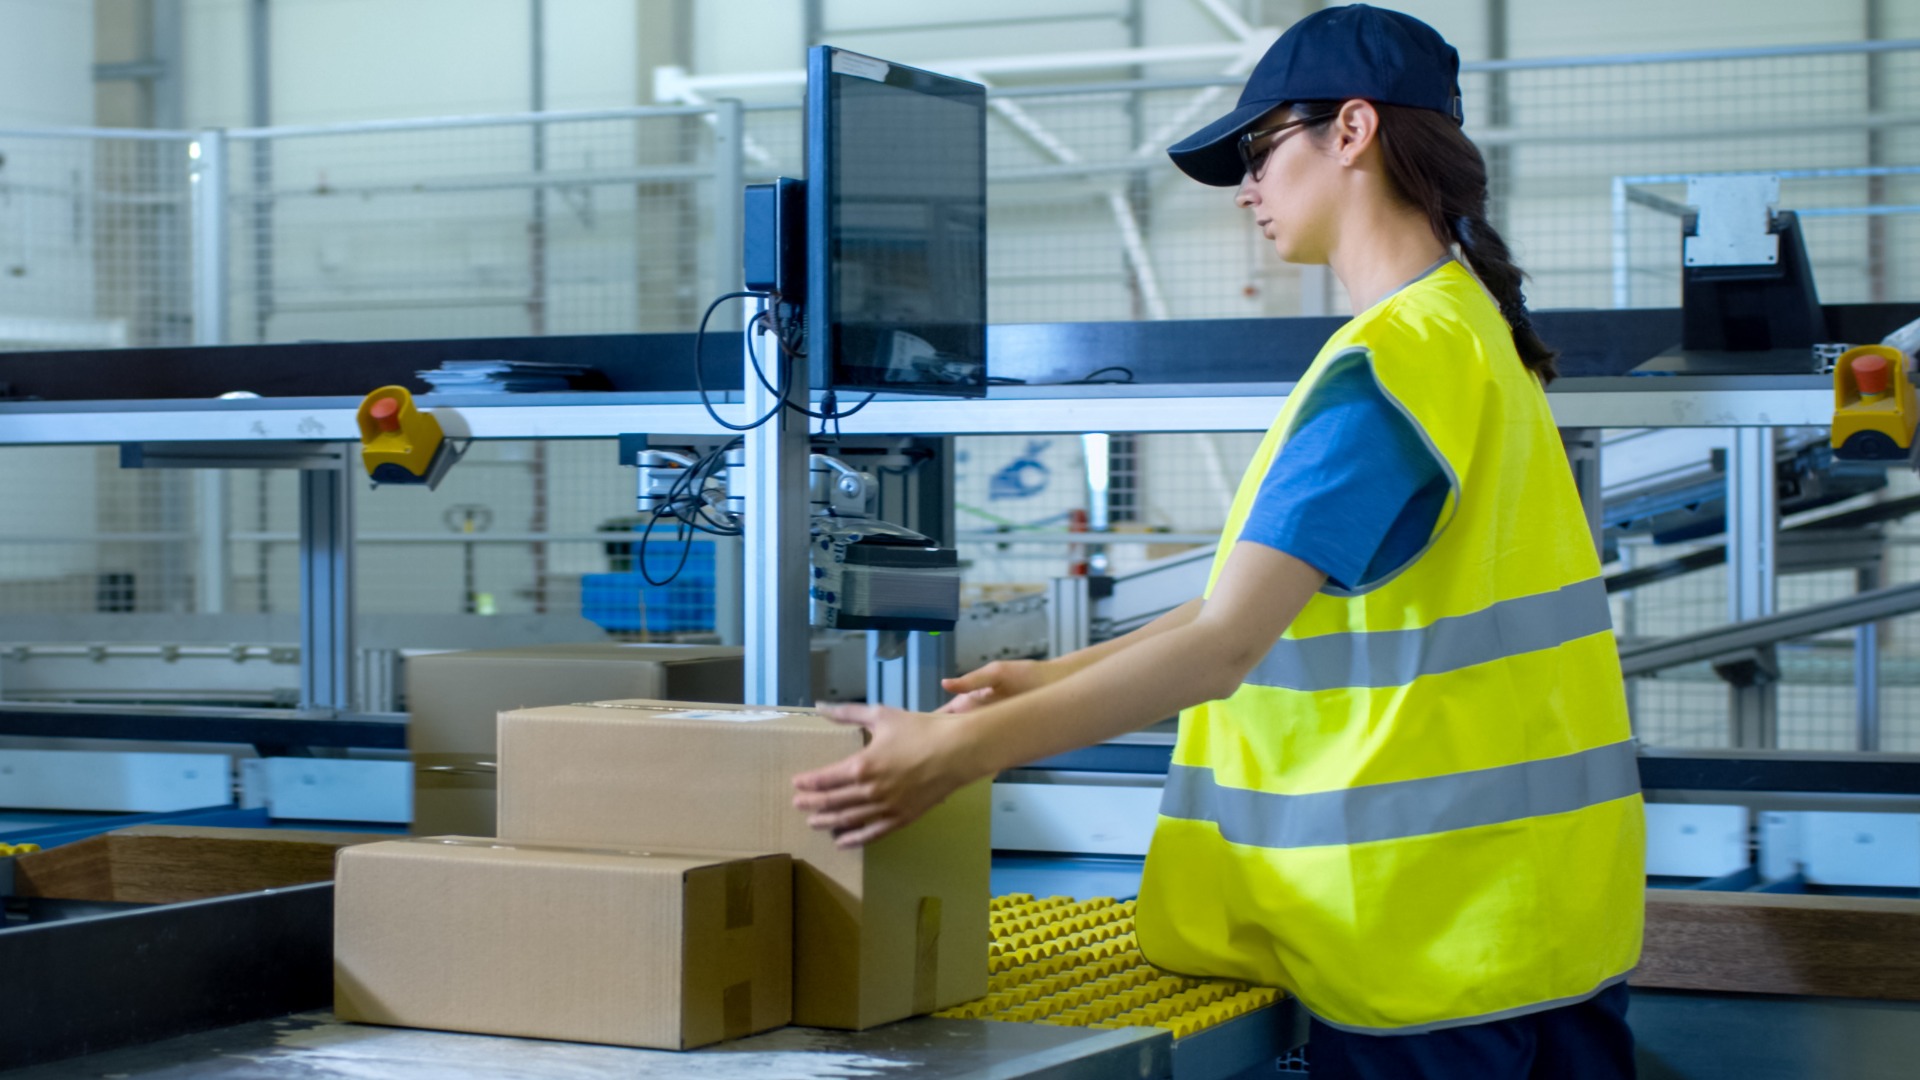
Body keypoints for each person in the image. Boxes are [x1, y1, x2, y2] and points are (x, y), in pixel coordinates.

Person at [792, 6, 1645, 1077]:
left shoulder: (1383, 372)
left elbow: (1224, 648)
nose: (1246, 188)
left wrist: (959, 755)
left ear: (1352, 131)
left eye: (1258, 151)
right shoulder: (1472, 333)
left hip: (1425, 949)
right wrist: (1056, 675)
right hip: (1553, 922)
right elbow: (1257, 612)